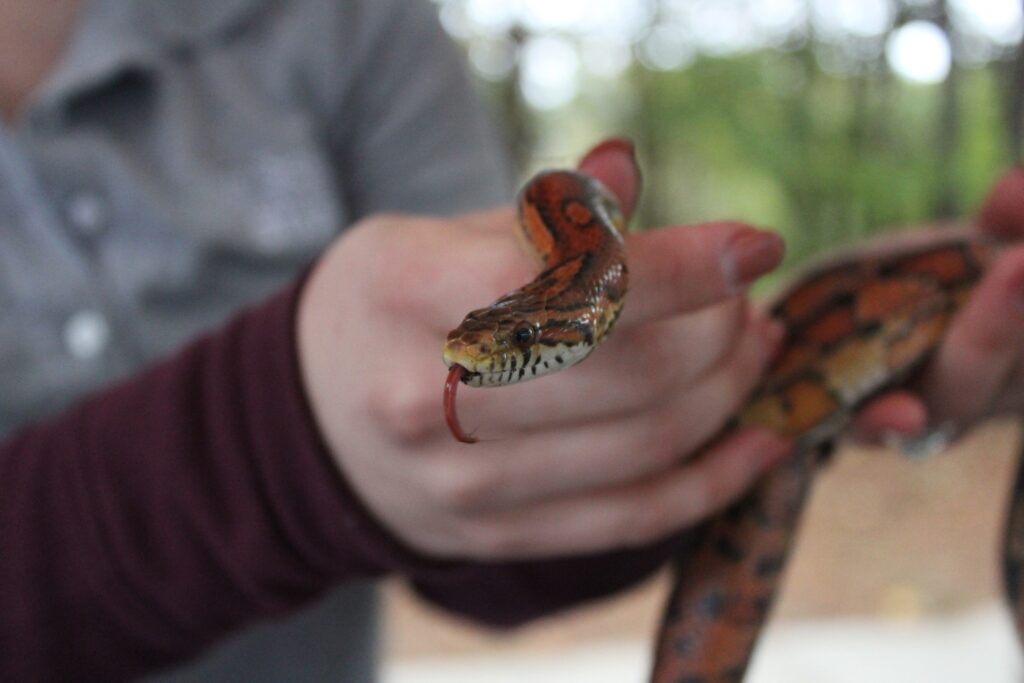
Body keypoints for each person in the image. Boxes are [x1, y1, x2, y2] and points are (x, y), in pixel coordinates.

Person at [3, 2, 1024, 683]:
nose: (476, 362)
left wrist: (721, 389)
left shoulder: (346, 23)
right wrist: (278, 443)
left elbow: (481, 560)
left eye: (516, 340)